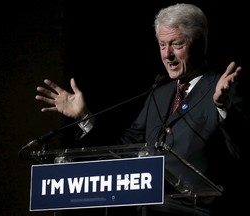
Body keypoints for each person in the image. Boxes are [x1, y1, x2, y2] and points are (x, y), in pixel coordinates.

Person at [34, 3, 247, 216]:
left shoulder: (225, 89)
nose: (168, 55)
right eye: (162, 45)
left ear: (200, 42)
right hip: (145, 209)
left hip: (195, 211)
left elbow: (242, 151)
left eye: (176, 44)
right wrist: (84, 117)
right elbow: (123, 151)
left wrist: (223, 107)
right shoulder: (159, 94)